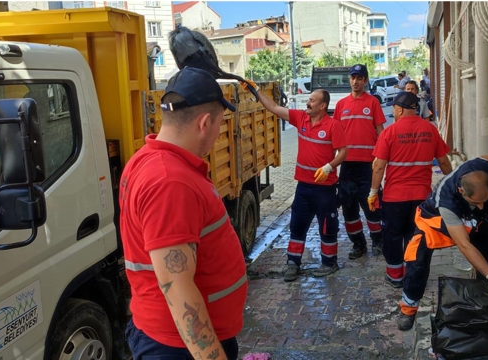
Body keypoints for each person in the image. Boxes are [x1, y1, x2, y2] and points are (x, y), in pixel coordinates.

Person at [120, 67, 247, 359]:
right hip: (178, 347)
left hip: (171, 339)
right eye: (219, 124)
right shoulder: (170, 181)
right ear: (204, 122)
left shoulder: (147, 158)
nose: (218, 133)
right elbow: (176, 284)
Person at [396, 141, 488, 331]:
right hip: (433, 222)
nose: (482, 206)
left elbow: (486, 159)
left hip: (471, 219)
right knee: (417, 263)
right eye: (476, 202)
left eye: (484, 201)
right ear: (462, 192)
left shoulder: (480, 169)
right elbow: (464, 245)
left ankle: (483, 298)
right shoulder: (446, 201)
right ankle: (408, 308)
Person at [241, 80, 347, 280]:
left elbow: (343, 152)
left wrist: (329, 167)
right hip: (304, 187)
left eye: (312, 101)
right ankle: (293, 263)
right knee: (297, 225)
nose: (308, 103)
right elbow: (273, 107)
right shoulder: (301, 119)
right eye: (308, 99)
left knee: (327, 226)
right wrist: (255, 91)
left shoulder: (333, 126)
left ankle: (329, 262)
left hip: (325, 188)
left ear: (323, 106)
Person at [367, 92, 452, 289]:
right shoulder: (430, 130)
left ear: (399, 109)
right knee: (417, 237)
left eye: (394, 109)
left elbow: (379, 167)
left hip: (394, 197)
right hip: (422, 198)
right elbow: (444, 162)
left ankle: (395, 276)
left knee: (393, 236)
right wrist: (450, 187)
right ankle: (414, 276)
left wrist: (373, 192)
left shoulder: (390, 132)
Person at [333, 64, 386, 259]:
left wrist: (382, 159)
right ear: (350, 80)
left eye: (359, 78)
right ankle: (358, 244)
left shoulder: (372, 103)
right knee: (349, 210)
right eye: (353, 77)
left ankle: (378, 241)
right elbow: (335, 133)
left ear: (365, 80)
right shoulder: (341, 105)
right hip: (347, 166)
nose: (355, 81)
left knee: (372, 207)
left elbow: (381, 133)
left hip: (368, 167)